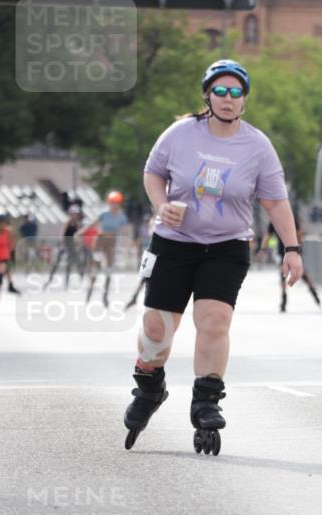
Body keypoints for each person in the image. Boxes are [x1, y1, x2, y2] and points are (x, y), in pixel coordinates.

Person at [122, 58, 303, 452]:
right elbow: (153, 172)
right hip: (173, 243)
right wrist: (160, 204)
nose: (227, 98)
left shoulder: (257, 146)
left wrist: (292, 248)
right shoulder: (180, 134)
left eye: (235, 92)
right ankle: (150, 388)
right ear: (207, 95)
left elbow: (275, 201)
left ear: (244, 99)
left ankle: (206, 401)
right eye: (220, 90)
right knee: (157, 329)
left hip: (226, 247)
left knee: (214, 321)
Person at [261, 211, 320, 312]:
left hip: (293, 249)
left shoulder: (290, 218)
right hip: (283, 251)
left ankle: (312, 290)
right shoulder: (275, 220)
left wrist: (299, 248)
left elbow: (298, 233)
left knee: (300, 273)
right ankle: (284, 297)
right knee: (283, 274)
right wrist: (263, 249)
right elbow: (268, 235)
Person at [81, 191, 129, 307]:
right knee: (96, 266)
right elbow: (92, 224)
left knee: (109, 269)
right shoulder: (104, 213)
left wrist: (126, 243)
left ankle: (105, 296)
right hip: (100, 241)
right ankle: (89, 293)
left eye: (116, 202)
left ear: (119, 203)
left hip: (111, 242)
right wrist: (81, 232)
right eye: (112, 202)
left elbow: (125, 231)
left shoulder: (121, 217)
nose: (114, 204)